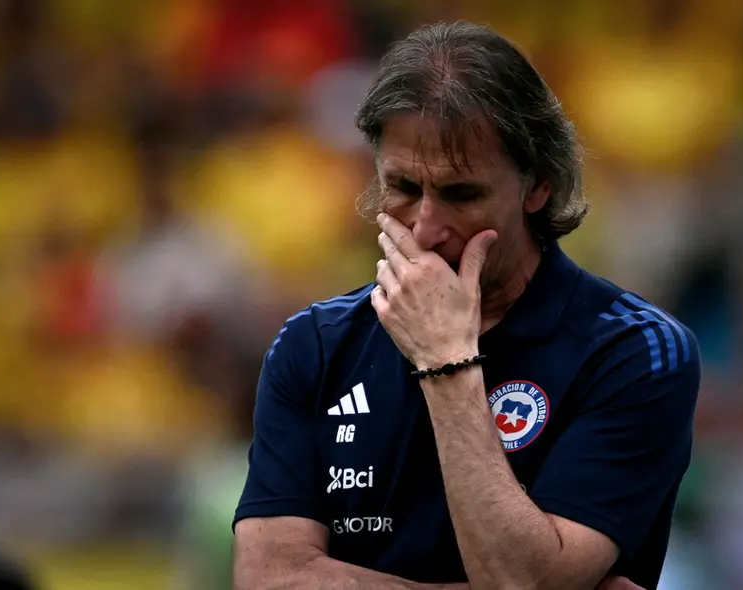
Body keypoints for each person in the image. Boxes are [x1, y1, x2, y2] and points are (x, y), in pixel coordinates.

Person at [232, 21, 699, 590]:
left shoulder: (634, 350)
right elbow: (269, 578)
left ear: (539, 185)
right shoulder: (315, 344)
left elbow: (522, 582)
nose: (426, 229)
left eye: (462, 194)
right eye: (403, 188)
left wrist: (446, 361)